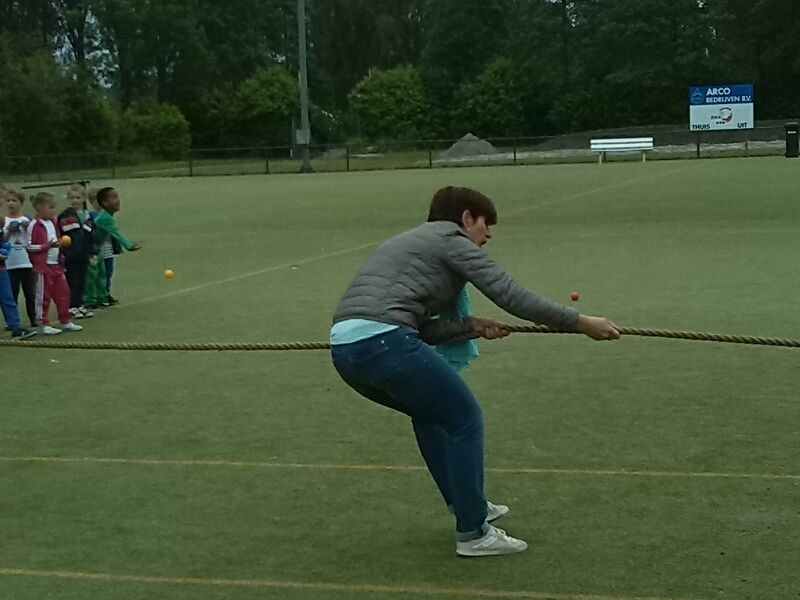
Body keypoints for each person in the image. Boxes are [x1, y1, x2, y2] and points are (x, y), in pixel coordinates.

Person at [330, 186, 620, 557]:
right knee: (465, 419)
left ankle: (470, 507)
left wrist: (473, 325)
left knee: (431, 415)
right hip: (386, 344)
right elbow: (509, 294)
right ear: (467, 218)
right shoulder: (449, 238)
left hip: (346, 351)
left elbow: (416, 327)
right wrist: (580, 322)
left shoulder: (412, 243)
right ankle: (474, 534)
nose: (489, 237)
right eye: (486, 226)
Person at [28, 192, 83, 334]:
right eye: (50, 207)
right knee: (43, 296)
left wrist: (60, 246)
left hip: (57, 265)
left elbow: (57, 238)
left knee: (64, 293)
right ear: (40, 207)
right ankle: (43, 323)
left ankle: (65, 320)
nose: (54, 211)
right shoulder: (34, 225)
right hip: (43, 267)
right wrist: (47, 246)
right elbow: (29, 246)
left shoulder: (53, 221)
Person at [93, 187, 141, 305]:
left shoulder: (107, 215)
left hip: (97, 248)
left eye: (117, 196)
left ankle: (104, 295)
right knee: (97, 274)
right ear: (105, 203)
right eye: (114, 197)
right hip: (90, 248)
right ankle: (95, 299)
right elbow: (116, 233)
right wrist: (129, 245)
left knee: (104, 272)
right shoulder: (105, 218)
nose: (118, 200)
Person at [57, 184, 95, 319]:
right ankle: (72, 306)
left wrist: (92, 251)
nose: (75, 200)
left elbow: (90, 236)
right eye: (72, 198)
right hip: (71, 255)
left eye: (78, 197)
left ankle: (80, 305)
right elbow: (66, 233)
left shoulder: (88, 216)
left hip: (83, 254)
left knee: (82, 280)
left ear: (84, 199)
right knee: (73, 281)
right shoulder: (66, 216)